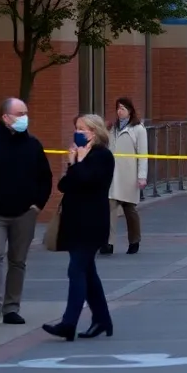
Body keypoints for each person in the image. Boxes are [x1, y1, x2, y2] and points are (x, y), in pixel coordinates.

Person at [0, 98, 52, 325]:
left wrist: (37, 205)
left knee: (18, 261)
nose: (24, 117)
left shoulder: (33, 145)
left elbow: (45, 177)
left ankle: (11, 307)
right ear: (5, 117)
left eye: (25, 112)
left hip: (24, 213)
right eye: (19, 113)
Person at [42, 114, 115, 340]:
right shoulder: (82, 156)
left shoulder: (103, 156)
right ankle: (102, 319)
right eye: (76, 128)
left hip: (92, 224)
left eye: (82, 129)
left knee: (76, 270)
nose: (78, 132)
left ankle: (68, 323)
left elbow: (89, 182)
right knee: (87, 272)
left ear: (95, 131)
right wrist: (73, 162)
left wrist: (80, 163)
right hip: (75, 223)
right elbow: (65, 185)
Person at [104, 97, 148, 255]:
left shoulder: (138, 129)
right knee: (109, 210)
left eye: (122, 108)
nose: (119, 111)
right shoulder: (112, 128)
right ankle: (108, 243)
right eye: (118, 108)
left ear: (130, 110)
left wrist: (142, 176)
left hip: (129, 175)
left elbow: (143, 154)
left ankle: (134, 240)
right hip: (112, 175)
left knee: (130, 210)